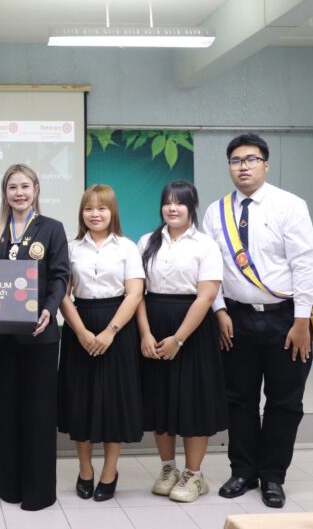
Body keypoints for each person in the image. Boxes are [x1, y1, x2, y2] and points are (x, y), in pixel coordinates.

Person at [202, 134, 313, 508]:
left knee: (285, 401)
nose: (244, 166)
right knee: (239, 400)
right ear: (229, 167)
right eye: (236, 160)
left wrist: (302, 321)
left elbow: (305, 263)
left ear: (265, 165)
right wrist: (219, 310)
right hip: (235, 319)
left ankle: (272, 476)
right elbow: (210, 268)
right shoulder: (216, 211)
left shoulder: (290, 205)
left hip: (286, 320)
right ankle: (242, 471)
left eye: (251, 159)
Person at [0, 164, 70, 511]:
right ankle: (9, 487)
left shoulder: (52, 228)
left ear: (36, 189)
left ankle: (39, 491)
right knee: (6, 410)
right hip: (2, 337)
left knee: (39, 412)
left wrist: (50, 309)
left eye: (25, 186)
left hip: (39, 333)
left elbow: (60, 275)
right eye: (12, 187)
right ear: (5, 192)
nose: (19, 193)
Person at [135, 181, 227, 503]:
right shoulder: (146, 241)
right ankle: (168, 468)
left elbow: (206, 297)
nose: (172, 208)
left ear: (192, 207)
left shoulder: (206, 245)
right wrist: (145, 333)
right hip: (153, 323)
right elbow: (137, 292)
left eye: (180, 203)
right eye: (167, 202)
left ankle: (194, 475)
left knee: (192, 401)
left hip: (192, 329)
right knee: (160, 399)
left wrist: (178, 338)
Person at [57, 184, 144, 502]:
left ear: (112, 212)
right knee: (80, 399)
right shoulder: (70, 248)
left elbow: (134, 293)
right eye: (89, 208)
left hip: (118, 327)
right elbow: (62, 294)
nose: (95, 214)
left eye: (102, 208)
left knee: (113, 401)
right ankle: (85, 470)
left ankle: (109, 471)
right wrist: (81, 331)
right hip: (79, 323)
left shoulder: (127, 247)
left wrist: (110, 331)